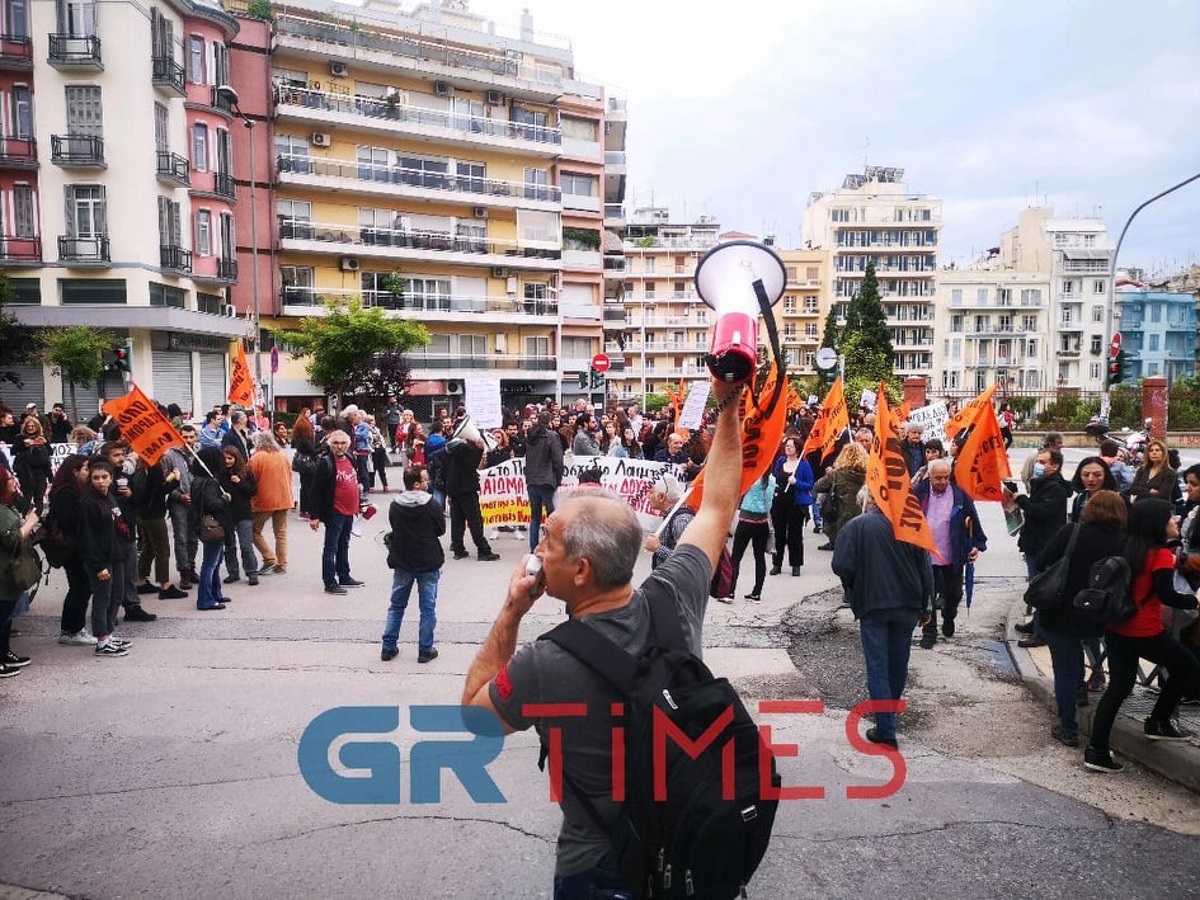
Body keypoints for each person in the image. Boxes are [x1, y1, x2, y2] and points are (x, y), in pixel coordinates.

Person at [460, 377, 742, 894]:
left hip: (598, 868)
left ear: (582, 570)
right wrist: (728, 403)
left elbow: (476, 718)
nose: (538, 551)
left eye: (548, 541)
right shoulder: (675, 591)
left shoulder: (544, 663)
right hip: (685, 847)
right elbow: (718, 506)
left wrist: (511, 611)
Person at [1084, 498, 1200, 773]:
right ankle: (1158, 721)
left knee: (1119, 688)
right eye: (1171, 517)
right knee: (1187, 666)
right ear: (1157, 523)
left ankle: (1096, 750)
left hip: (1117, 627)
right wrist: (1194, 602)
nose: (1176, 520)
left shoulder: (1125, 545)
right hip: (1146, 630)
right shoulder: (1159, 555)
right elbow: (1166, 594)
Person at [833, 486, 933, 749]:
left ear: (872, 499)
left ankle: (886, 727)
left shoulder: (858, 525)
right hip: (908, 604)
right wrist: (926, 606)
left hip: (873, 604)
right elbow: (926, 568)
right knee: (898, 663)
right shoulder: (912, 524)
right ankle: (888, 718)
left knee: (878, 665)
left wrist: (855, 585)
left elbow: (842, 565)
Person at [1035, 491, 1126, 747]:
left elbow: (1042, 560)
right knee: (1089, 658)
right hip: (1101, 614)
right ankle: (1087, 688)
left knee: (1064, 669)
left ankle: (1068, 727)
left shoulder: (1072, 532)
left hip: (1061, 610)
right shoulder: (1123, 541)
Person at [912, 458, 987, 647]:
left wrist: (977, 545)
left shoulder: (959, 495)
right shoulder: (918, 493)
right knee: (927, 595)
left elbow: (974, 520)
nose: (943, 482)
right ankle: (929, 631)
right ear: (930, 477)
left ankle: (949, 615)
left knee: (953, 593)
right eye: (938, 478)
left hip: (952, 553)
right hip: (925, 554)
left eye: (946, 477)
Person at [1006, 446, 1070, 648]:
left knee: (1041, 588)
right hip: (1034, 542)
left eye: (1043, 462)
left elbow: (1042, 512)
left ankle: (1041, 632)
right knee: (1035, 585)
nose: (1038, 466)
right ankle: (1036, 623)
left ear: (1055, 465)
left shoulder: (1056, 489)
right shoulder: (1042, 484)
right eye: (1038, 462)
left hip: (1045, 544)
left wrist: (1022, 500)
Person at [381, 465, 444, 664]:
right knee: (427, 608)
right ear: (417, 484)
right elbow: (440, 529)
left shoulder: (395, 505)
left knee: (396, 605)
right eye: (425, 480)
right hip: (428, 560)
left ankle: (388, 646)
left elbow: (394, 525)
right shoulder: (432, 504)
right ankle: (425, 649)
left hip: (402, 559)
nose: (428, 483)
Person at [77, 460, 135, 655]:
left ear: (111, 478)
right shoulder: (87, 503)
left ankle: (109, 633)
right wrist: (97, 566)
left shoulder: (110, 497)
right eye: (96, 478)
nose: (100, 481)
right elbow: (87, 537)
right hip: (100, 559)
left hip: (116, 554)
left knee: (116, 595)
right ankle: (101, 638)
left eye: (104, 477)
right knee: (103, 597)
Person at [308, 430, 365, 594]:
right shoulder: (325, 463)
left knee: (344, 544)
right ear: (330, 445)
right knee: (331, 547)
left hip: (350, 510)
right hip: (335, 511)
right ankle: (329, 582)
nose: (339, 446)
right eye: (335, 443)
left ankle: (344, 576)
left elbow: (355, 481)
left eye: (342, 443)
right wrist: (314, 516)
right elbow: (315, 491)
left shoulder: (350, 458)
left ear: (347, 444)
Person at [49, 456, 95, 645]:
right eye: (85, 469)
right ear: (74, 471)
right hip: (72, 548)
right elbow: (67, 519)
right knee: (80, 587)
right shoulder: (66, 492)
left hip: (79, 546)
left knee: (82, 587)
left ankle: (72, 628)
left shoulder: (80, 489)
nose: (88, 472)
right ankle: (72, 629)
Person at [0, 466, 40, 675]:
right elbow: (11, 539)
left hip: (10, 571)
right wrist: (30, 523)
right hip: (5, 571)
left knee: (7, 616)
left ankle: (5, 652)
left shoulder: (7, 504)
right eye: (8, 479)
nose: (12, 481)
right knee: (2, 615)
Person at [131, 455, 188, 600]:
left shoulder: (140, 468)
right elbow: (159, 490)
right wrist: (175, 479)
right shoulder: (154, 466)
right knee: (162, 549)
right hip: (154, 514)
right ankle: (165, 584)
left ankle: (141, 580)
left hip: (142, 514)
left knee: (149, 547)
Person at [443, 417, 499, 562]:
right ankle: (483, 550)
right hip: (466, 489)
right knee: (475, 520)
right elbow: (471, 465)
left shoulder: (452, 446)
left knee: (457, 521)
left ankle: (458, 549)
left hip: (454, 488)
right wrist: (479, 450)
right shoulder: (463, 447)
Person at [189, 446, 231, 611]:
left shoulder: (198, 480)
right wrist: (224, 499)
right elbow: (212, 504)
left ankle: (215, 592)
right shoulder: (211, 482)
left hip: (202, 524)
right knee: (210, 563)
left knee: (215, 560)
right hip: (214, 524)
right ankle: (206, 599)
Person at [247, 431, 294, 576]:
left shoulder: (256, 458)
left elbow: (250, 480)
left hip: (264, 499)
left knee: (253, 531)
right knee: (280, 533)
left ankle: (269, 557)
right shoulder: (282, 455)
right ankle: (282, 563)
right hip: (284, 497)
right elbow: (290, 475)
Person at [770, 436, 813, 577]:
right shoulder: (781, 461)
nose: (787, 448)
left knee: (795, 535)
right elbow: (775, 476)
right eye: (786, 445)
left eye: (791, 446)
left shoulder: (803, 464)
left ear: (797, 449)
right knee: (779, 533)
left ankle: (796, 564)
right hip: (779, 502)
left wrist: (797, 482)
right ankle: (777, 563)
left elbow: (810, 484)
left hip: (795, 504)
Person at [813, 442, 869, 551]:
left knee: (843, 551)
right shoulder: (870, 474)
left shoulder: (836, 474)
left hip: (841, 516)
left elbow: (818, 486)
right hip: (863, 516)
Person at [730, 470, 775, 603]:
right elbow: (770, 501)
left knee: (736, 557)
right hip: (762, 521)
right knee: (759, 557)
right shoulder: (772, 479)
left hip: (746, 520)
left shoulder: (752, 477)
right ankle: (757, 592)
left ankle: (730, 590)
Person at [164, 426, 200, 588]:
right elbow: (165, 482)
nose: (188, 441)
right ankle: (184, 571)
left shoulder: (198, 453)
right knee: (181, 538)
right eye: (185, 437)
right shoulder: (170, 455)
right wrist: (179, 495)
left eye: (191, 437)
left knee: (193, 537)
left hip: (196, 500)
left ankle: (191, 567)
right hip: (179, 501)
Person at [219, 446, 259, 586]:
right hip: (227, 513)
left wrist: (240, 482)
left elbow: (252, 491)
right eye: (225, 458)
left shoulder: (246, 472)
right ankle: (233, 572)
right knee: (229, 546)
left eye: (230, 458)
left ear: (236, 458)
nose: (227, 461)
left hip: (243, 513)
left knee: (246, 545)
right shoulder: (219, 473)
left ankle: (251, 572)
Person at [525, 412, 564, 553]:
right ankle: (552, 546)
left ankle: (533, 548)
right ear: (550, 421)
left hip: (532, 480)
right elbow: (558, 460)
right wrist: (558, 479)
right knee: (551, 516)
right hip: (547, 480)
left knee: (535, 518)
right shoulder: (551, 436)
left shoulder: (529, 435)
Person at [12, 415, 52, 514]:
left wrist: (44, 443)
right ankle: (26, 516)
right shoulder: (20, 437)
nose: (30, 428)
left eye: (32, 426)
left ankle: (36, 518)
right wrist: (23, 444)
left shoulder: (41, 438)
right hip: (25, 472)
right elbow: (13, 451)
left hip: (40, 472)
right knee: (27, 497)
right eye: (28, 426)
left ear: (37, 427)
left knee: (39, 498)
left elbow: (50, 453)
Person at [291, 413, 320, 519]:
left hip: (302, 465)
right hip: (308, 465)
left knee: (305, 487)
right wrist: (323, 447)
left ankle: (304, 509)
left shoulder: (298, 438)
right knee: (309, 487)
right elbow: (313, 451)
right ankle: (307, 509)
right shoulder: (305, 439)